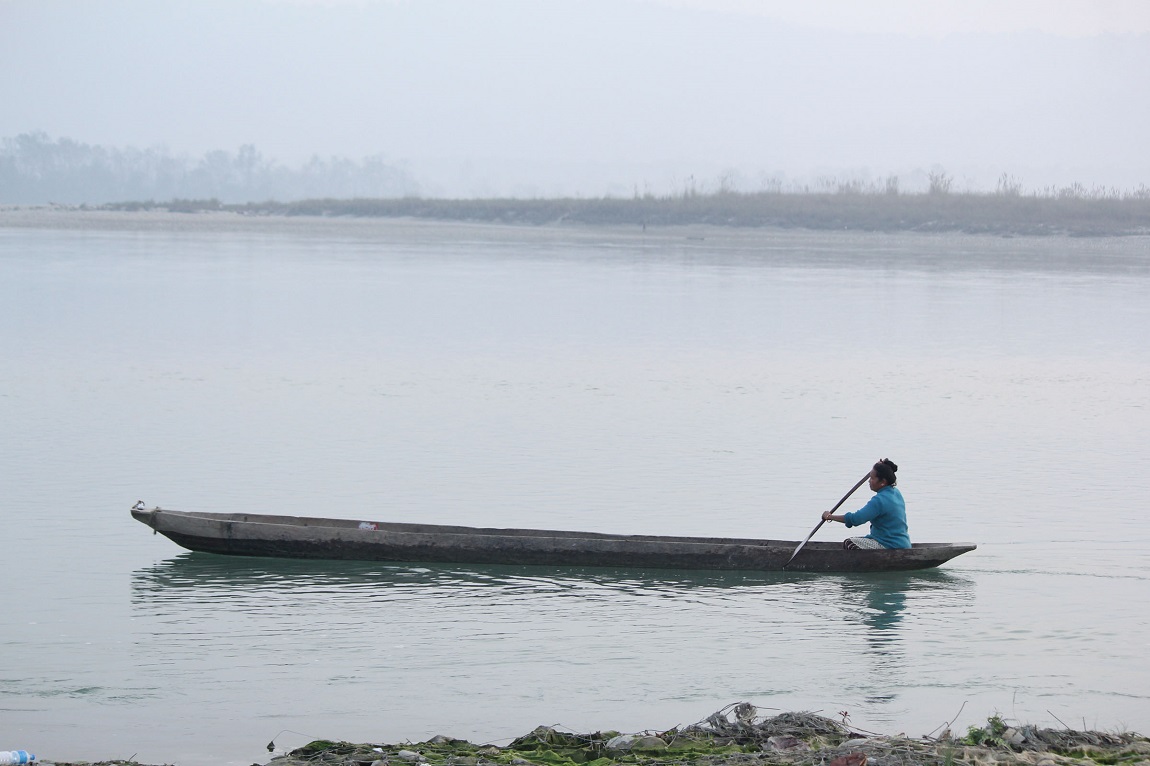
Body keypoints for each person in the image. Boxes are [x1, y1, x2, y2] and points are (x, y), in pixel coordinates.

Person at [821, 458, 910, 549]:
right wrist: (880, 467)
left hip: (888, 544)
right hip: (904, 543)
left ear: (883, 482)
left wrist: (830, 517)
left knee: (849, 543)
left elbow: (856, 519)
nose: (869, 481)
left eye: (872, 478)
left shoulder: (879, 500)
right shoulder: (896, 492)